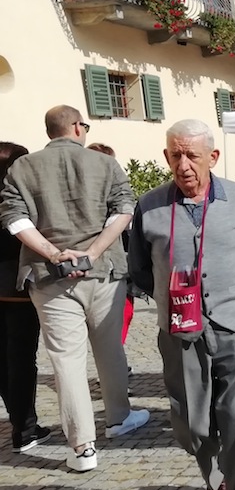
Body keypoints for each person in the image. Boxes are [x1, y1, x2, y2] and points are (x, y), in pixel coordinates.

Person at [128, 119, 235, 490]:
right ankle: (214, 475)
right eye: (175, 155)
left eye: (192, 155)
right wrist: (169, 298)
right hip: (180, 329)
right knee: (190, 421)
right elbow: (139, 269)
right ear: (166, 157)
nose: (184, 165)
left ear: (212, 157)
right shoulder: (149, 206)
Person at [0, 106, 149, 473]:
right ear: (78, 127)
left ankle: (83, 447)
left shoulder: (22, 167)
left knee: (66, 359)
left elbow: (15, 220)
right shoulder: (105, 163)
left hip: (47, 275)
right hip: (103, 270)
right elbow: (124, 210)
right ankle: (119, 417)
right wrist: (92, 253)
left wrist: (53, 253)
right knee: (109, 348)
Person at [0, 142, 51, 454]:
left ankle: (20, 421)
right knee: (20, 358)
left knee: (4, 359)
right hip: (16, 289)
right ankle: (25, 427)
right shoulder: (19, 200)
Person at [87, 142, 135, 352]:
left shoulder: (120, 194)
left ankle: (115, 357)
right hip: (94, 272)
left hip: (118, 270)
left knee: (121, 320)